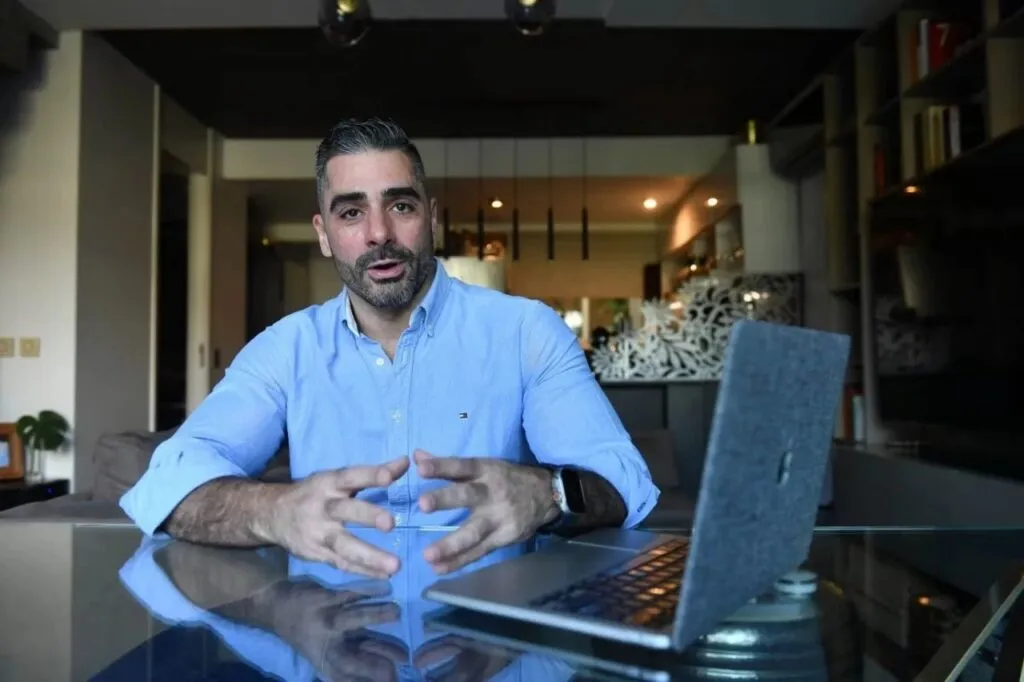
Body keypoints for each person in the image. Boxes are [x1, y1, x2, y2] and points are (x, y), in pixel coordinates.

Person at [120, 117, 659, 580]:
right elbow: (167, 483)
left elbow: (624, 484)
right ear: (324, 233)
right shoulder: (285, 349)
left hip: (490, 632)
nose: (379, 233)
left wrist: (550, 494)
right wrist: (272, 510)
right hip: (329, 629)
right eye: (351, 212)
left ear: (432, 217)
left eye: (400, 205)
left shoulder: (526, 332)